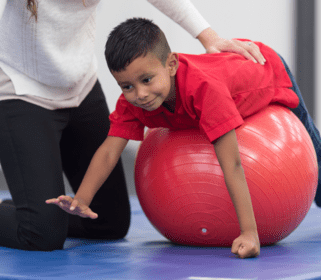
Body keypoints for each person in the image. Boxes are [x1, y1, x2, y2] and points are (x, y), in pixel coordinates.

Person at [0, 0, 265, 251]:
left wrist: (209, 37)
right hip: (17, 88)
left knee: (107, 223)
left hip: (79, 85)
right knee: (41, 235)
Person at [46, 18, 321, 259]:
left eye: (147, 79)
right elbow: (108, 151)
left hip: (265, 67)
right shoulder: (133, 104)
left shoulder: (204, 91)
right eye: (127, 85)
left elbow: (233, 164)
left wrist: (250, 233)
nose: (139, 94)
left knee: (309, 136)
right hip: (226, 71)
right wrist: (82, 198)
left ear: (172, 65)